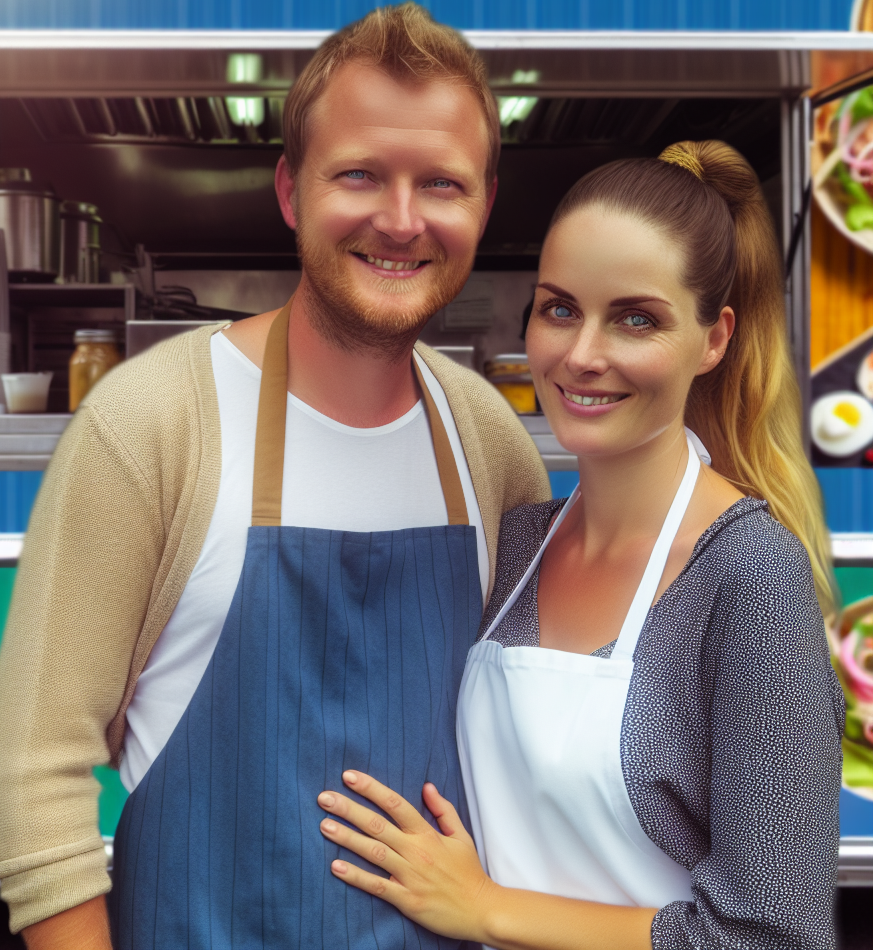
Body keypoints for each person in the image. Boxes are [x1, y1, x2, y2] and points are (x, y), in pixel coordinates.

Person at [0, 3, 551, 950]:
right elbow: (35, 769)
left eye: (441, 184)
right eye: (360, 174)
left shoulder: (488, 441)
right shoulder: (155, 422)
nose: (401, 221)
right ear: (291, 190)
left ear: (484, 204)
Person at [316, 140, 846, 949]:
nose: (582, 355)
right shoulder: (523, 539)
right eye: (560, 308)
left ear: (714, 339)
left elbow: (773, 933)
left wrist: (487, 908)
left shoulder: (748, 576)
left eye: (636, 319)